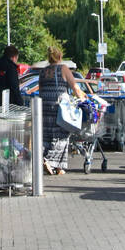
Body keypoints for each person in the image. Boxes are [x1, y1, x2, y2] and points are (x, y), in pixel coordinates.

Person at [39, 45, 81, 174]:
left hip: (44, 106)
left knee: (46, 136)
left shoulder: (43, 71)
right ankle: (49, 160)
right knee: (62, 136)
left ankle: (57, 167)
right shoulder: (63, 68)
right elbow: (75, 87)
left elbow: (40, 89)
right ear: (60, 56)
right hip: (59, 108)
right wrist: (83, 98)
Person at [0, 45, 23, 110]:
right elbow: (14, 86)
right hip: (7, 105)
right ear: (14, 57)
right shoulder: (11, 67)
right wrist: (20, 103)